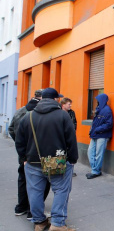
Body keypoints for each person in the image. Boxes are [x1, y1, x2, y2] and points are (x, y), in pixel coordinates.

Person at [15, 88, 78, 231]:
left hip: (33, 161)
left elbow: (20, 141)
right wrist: (73, 158)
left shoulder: (28, 116)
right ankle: (57, 224)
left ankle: (39, 222)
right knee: (61, 190)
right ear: (55, 99)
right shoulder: (63, 115)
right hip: (57, 160)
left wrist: (24, 158)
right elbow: (71, 139)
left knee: (35, 192)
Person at [9, 89, 51, 220]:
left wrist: (20, 147)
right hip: (38, 155)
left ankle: (21, 207)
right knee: (41, 183)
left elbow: (11, 129)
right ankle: (33, 212)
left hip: (23, 154)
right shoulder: (40, 113)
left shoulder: (20, 111)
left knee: (23, 179)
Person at [86, 93, 113, 179]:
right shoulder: (98, 109)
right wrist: (92, 131)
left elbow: (109, 124)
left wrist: (97, 129)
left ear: (102, 100)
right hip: (95, 134)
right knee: (90, 152)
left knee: (98, 153)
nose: (97, 101)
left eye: (98, 100)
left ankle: (96, 171)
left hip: (102, 135)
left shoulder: (107, 110)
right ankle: (95, 169)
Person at [61, 97, 78, 177]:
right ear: (63, 105)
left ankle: (70, 170)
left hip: (70, 136)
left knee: (71, 152)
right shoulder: (59, 112)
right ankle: (61, 168)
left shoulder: (71, 112)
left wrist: (72, 132)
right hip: (61, 136)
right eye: (69, 104)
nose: (70, 105)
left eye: (70, 104)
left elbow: (74, 123)